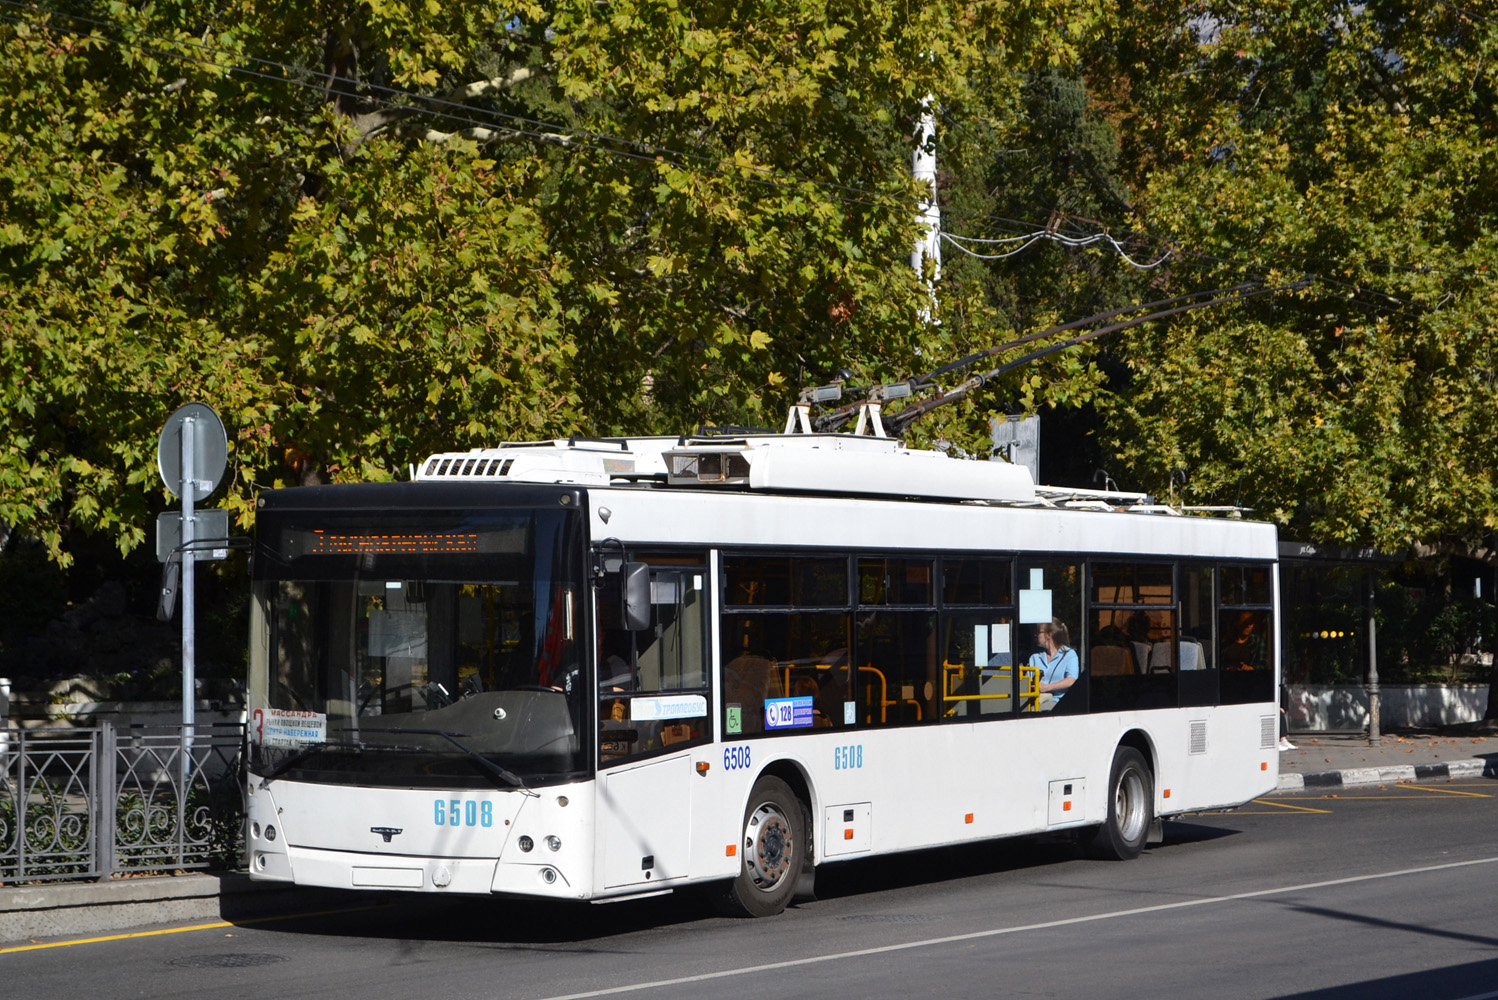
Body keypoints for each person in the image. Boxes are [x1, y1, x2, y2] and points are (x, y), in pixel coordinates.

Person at [1029, 619, 1079, 710]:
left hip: (1059, 701)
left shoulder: (1069, 655)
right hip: (1036, 699)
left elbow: (1072, 680)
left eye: (1039, 632)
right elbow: (1027, 681)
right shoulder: (1034, 657)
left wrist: (1045, 687)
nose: (1035, 635)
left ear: (1049, 635)